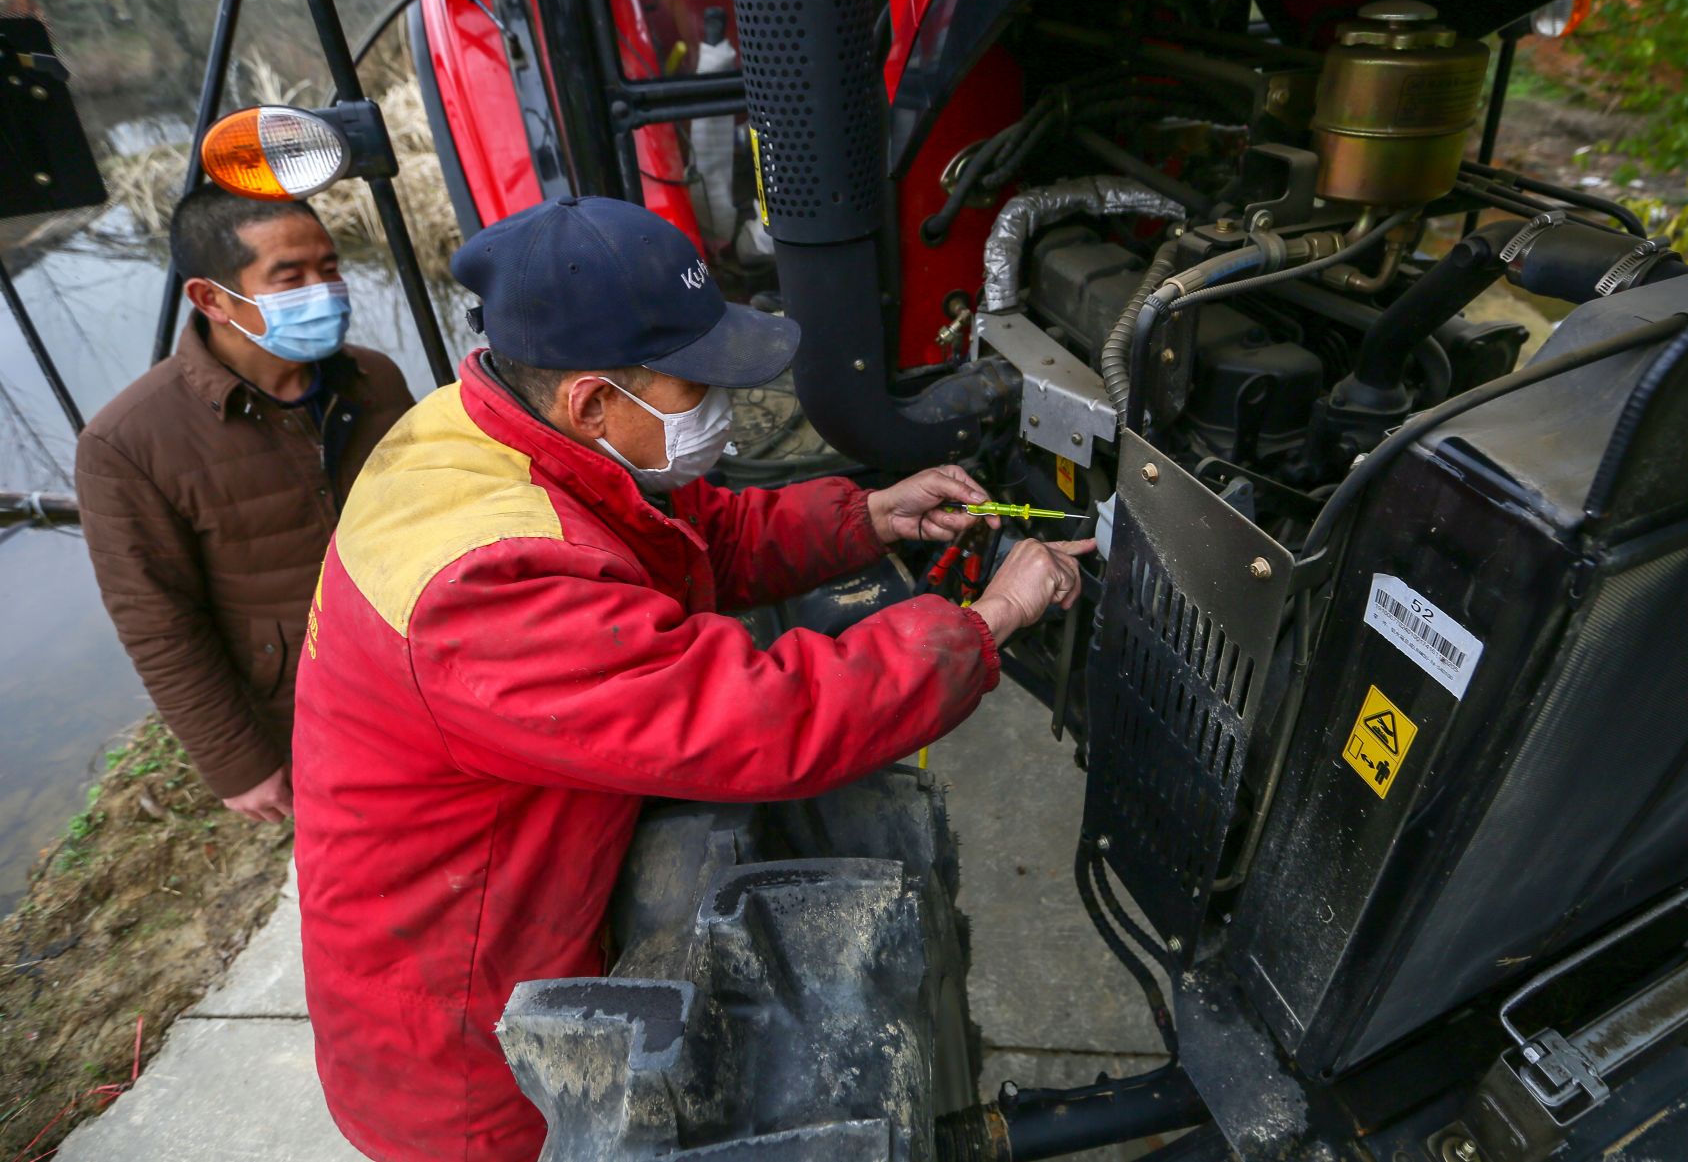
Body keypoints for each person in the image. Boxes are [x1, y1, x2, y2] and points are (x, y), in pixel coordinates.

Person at [293, 196, 1089, 1161]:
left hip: (525, 906)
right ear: (591, 400)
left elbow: (683, 538)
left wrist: (865, 518)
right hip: (470, 1027)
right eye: (694, 382)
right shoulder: (490, 582)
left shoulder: (485, 433)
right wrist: (988, 618)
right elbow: (763, 721)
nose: (720, 404)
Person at [74, 186, 413, 822]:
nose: (325, 290)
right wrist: (239, 764)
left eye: (330, 268)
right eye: (291, 277)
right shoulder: (128, 443)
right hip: (310, 709)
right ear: (211, 298)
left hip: (427, 665)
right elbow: (158, 621)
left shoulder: (372, 379)